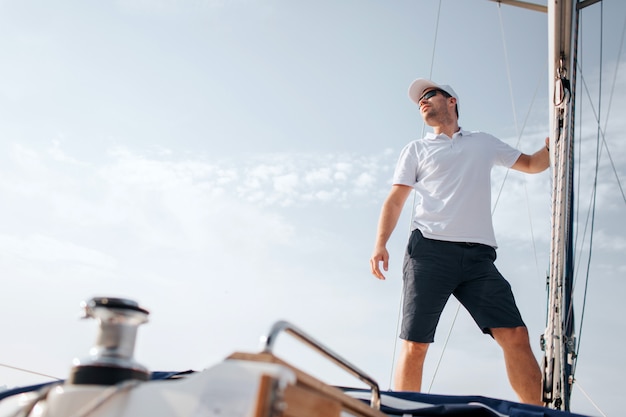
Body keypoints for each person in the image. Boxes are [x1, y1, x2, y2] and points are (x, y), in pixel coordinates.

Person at [370, 78, 550, 405]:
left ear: (451, 100)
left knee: (515, 335)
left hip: (479, 260)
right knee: (416, 344)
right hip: (429, 252)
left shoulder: (483, 142)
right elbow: (395, 201)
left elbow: (532, 164)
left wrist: (553, 147)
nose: (422, 101)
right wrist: (381, 243)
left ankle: (537, 413)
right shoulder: (416, 149)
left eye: (429, 94)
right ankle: (404, 413)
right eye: (419, 100)